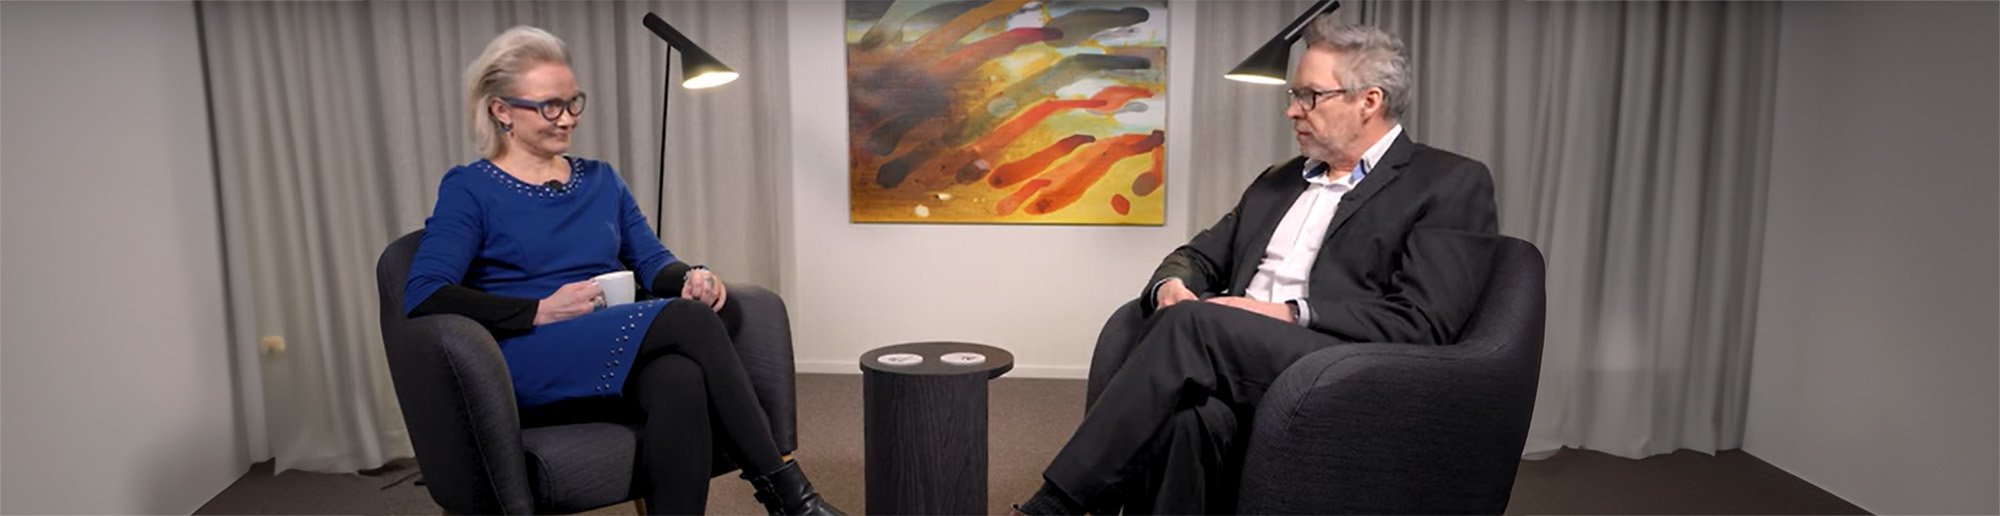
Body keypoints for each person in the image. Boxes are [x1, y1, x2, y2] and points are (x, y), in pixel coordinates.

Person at [1013, 22, 1499, 515]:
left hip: (1343, 364)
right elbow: (1198, 255)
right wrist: (1171, 286)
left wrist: (1287, 312)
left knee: (1194, 323)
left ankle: (1056, 505)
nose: (1292, 110)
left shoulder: (1447, 182)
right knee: (1187, 420)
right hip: (1235, 355)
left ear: (1368, 101)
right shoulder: (1278, 181)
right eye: (1294, 95)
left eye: (1309, 96)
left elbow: (1422, 322)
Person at [402, 26, 842, 516]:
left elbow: (652, 262)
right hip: (532, 353)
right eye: (550, 106)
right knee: (688, 320)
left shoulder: (601, 179)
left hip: (607, 341)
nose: (567, 118)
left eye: (573, 102)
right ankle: (791, 497)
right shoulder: (470, 188)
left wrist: (691, 276)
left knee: (679, 378)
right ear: (501, 110)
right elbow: (425, 292)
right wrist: (539, 310)